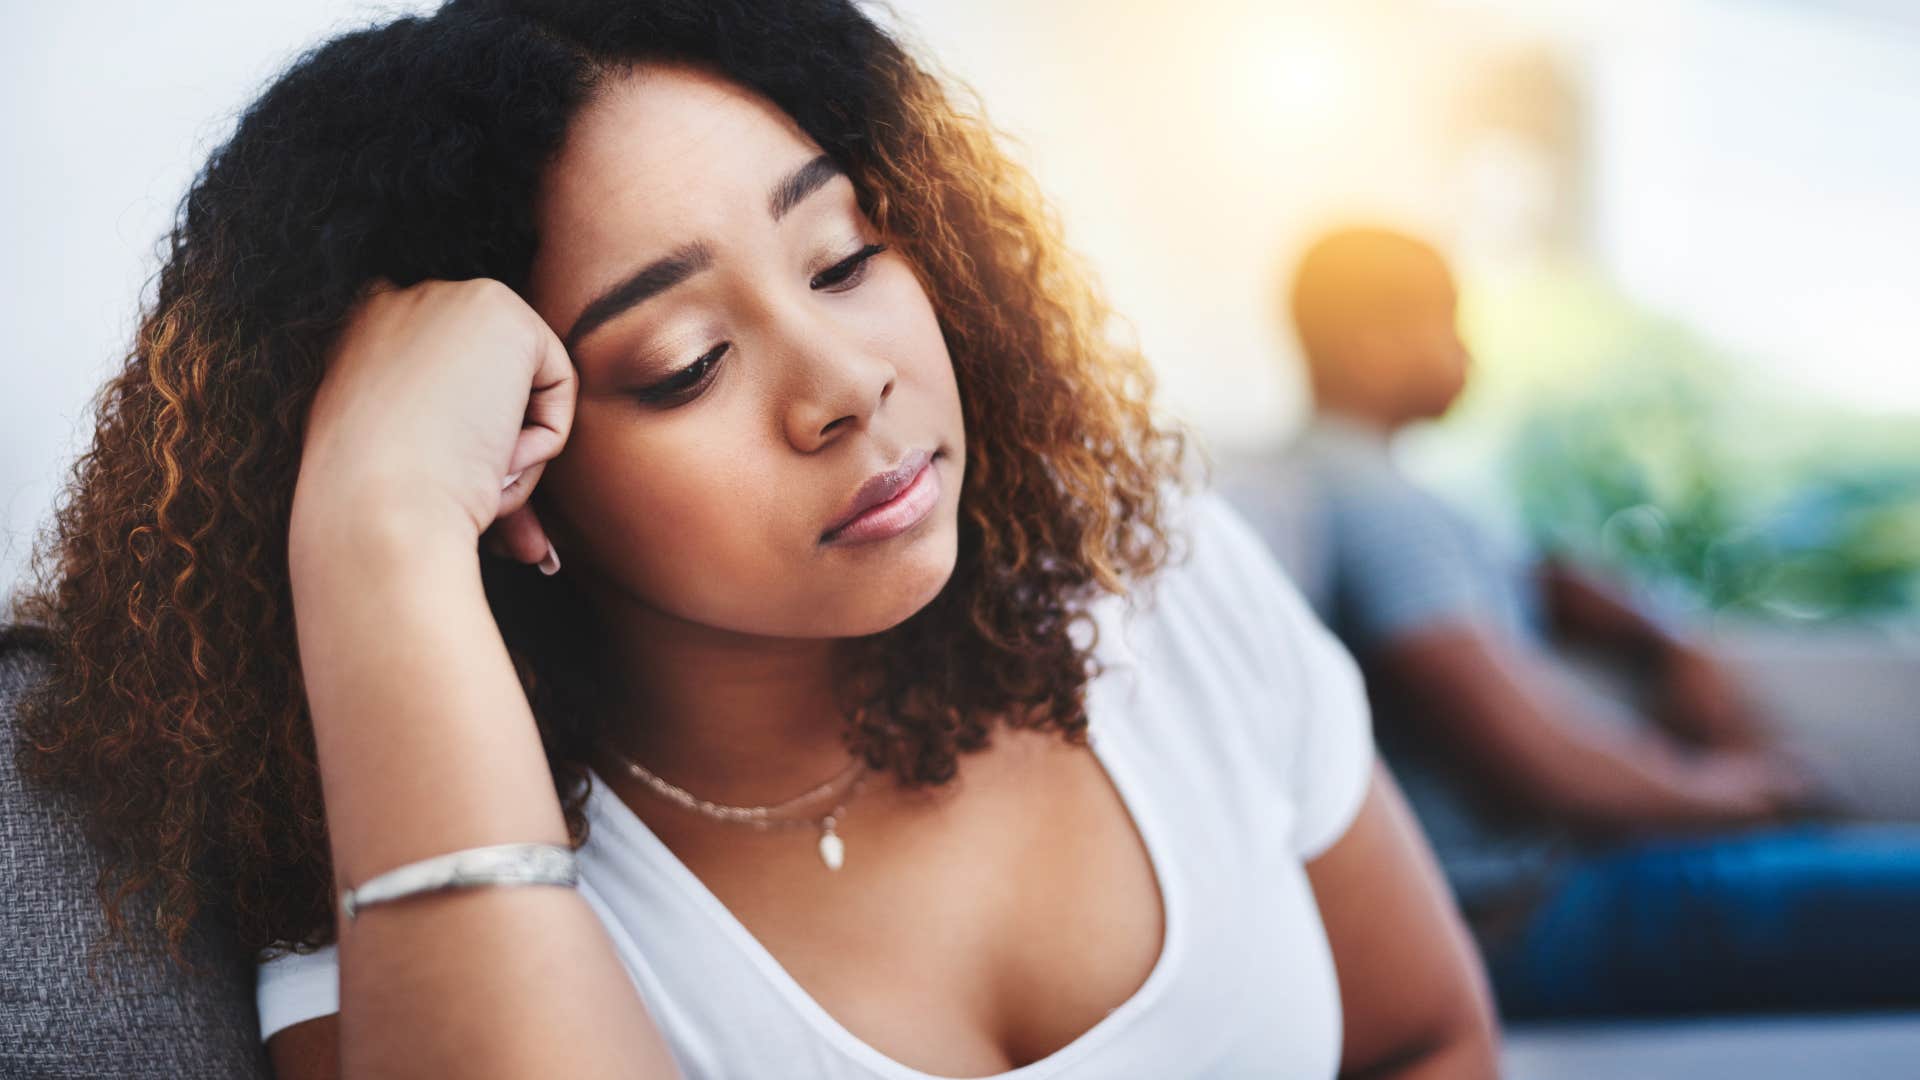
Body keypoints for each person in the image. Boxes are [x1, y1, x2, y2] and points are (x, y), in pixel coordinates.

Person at [3, 5, 1500, 1077]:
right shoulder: (402, 875)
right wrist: (379, 524)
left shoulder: (1157, 580)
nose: (848, 384)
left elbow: (1430, 1037)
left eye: (846, 257)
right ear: (514, 468)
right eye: (684, 363)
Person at [1225, 224, 1920, 1021]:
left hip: (1549, 892)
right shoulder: (1376, 507)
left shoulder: (1366, 492)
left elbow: (1543, 579)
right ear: (1374, 344)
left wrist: (1666, 638)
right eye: (1445, 323)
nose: (1468, 355)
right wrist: (1744, 793)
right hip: (1528, 915)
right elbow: (1543, 763)